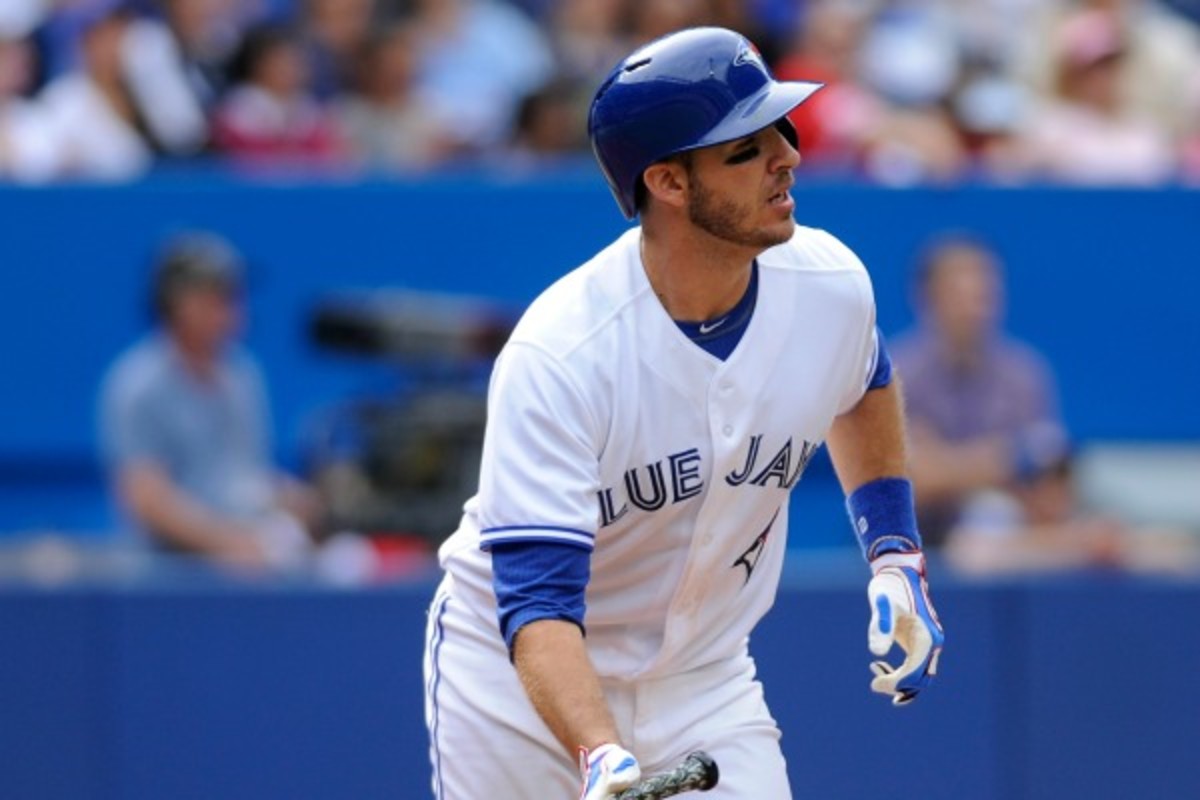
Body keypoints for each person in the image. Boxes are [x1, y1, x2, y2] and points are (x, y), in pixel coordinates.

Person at [423, 27, 944, 800]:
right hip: (520, 688)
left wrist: (895, 555)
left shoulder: (830, 284)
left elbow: (864, 383)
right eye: (745, 149)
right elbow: (535, 605)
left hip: (705, 679)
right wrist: (600, 753)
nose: (787, 158)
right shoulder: (563, 353)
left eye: (782, 130)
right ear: (667, 183)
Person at [98, 231, 321, 571]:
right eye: (216, 296)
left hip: (247, 564)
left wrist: (294, 500)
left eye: (233, 296)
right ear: (177, 302)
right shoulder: (138, 385)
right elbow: (145, 496)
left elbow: (243, 476)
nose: (231, 309)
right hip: (168, 575)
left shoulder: (243, 374)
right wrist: (227, 544)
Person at [890, 233, 1067, 549]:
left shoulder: (1025, 374)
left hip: (1009, 539)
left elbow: (1049, 489)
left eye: (985, 295)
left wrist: (947, 465)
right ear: (928, 297)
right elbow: (907, 483)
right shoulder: (895, 373)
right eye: (961, 295)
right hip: (915, 542)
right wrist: (1007, 459)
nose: (976, 309)